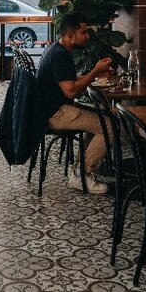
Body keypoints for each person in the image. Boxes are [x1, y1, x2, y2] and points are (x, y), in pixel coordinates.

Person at [36, 13, 113, 195]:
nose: (87, 36)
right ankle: (83, 175)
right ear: (70, 35)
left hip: (52, 109)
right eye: (83, 32)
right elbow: (70, 91)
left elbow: (65, 80)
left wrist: (92, 76)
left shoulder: (56, 50)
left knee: (100, 120)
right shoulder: (61, 56)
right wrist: (94, 72)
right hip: (56, 113)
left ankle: (79, 171)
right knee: (108, 126)